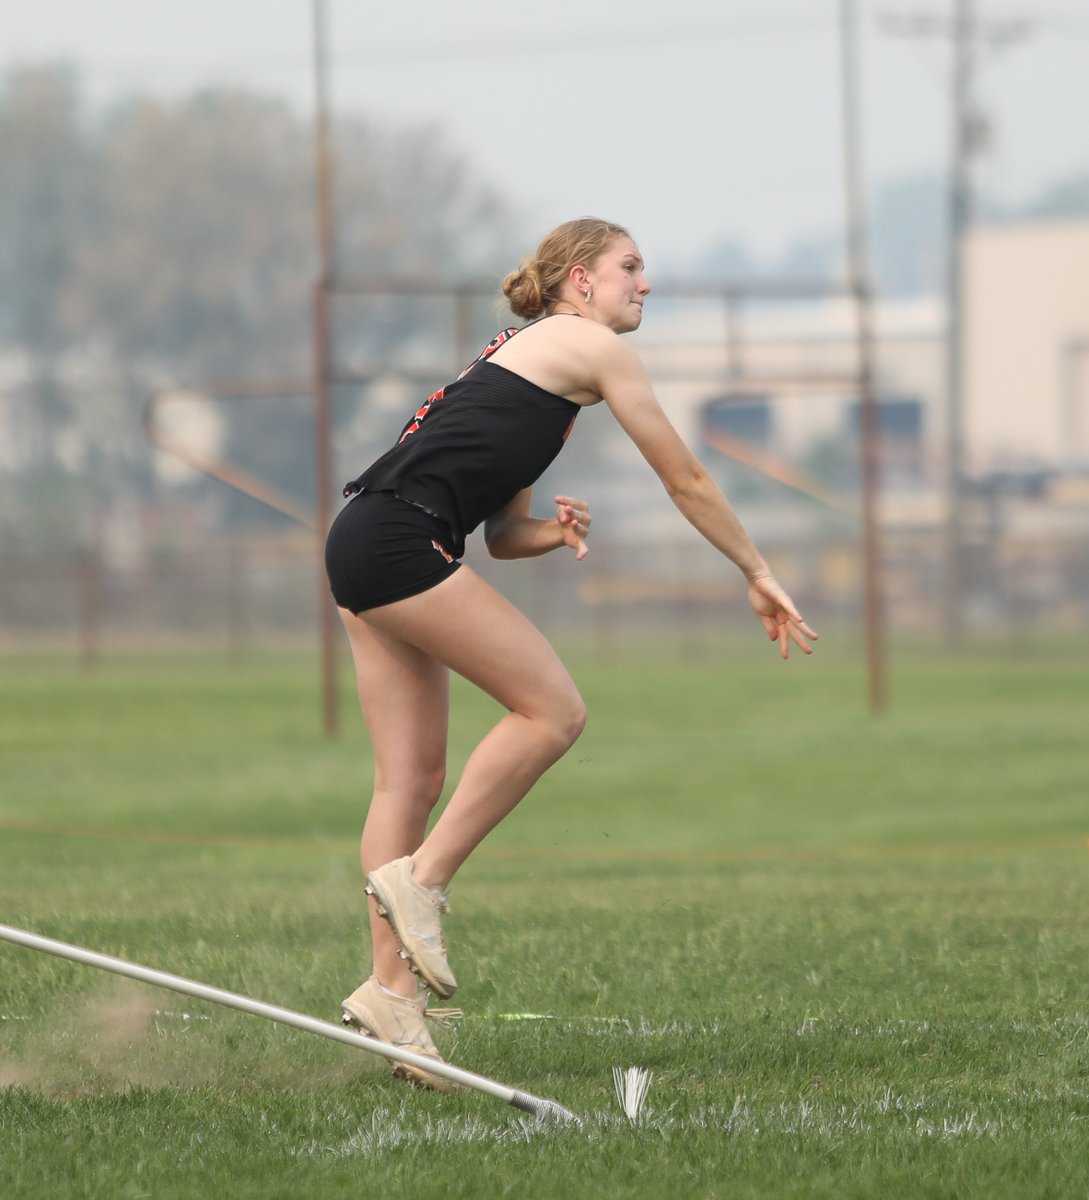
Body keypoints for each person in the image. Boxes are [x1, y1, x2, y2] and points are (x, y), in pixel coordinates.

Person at [323, 217, 817, 1090]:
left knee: (409, 784)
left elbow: (504, 530)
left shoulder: (529, 364)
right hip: (397, 540)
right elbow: (685, 477)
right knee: (554, 711)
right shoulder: (590, 348)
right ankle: (425, 883)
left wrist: (549, 531)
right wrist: (756, 568)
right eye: (630, 267)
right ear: (579, 282)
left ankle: (394, 1005)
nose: (645, 284)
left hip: (368, 535)